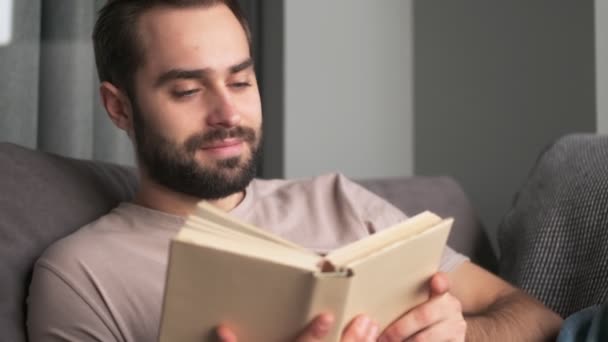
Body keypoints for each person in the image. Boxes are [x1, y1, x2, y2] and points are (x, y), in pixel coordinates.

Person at [27, 0, 562, 341]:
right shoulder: (83, 275)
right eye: (188, 90)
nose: (228, 113)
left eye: (239, 82)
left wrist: (459, 335)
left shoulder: (339, 201)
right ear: (118, 107)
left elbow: (540, 320)